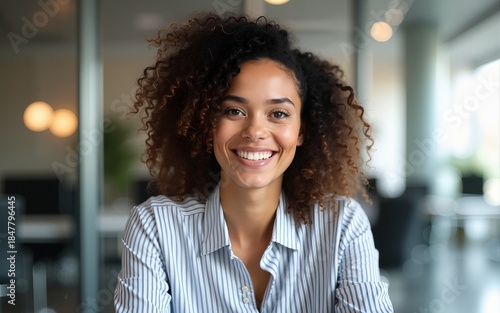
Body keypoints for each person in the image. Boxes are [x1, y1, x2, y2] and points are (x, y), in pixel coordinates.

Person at [114, 12, 393, 313]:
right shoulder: (155, 228)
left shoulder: (342, 224)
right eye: (234, 111)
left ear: (302, 131)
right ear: (206, 122)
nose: (255, 132)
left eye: (278, 113)